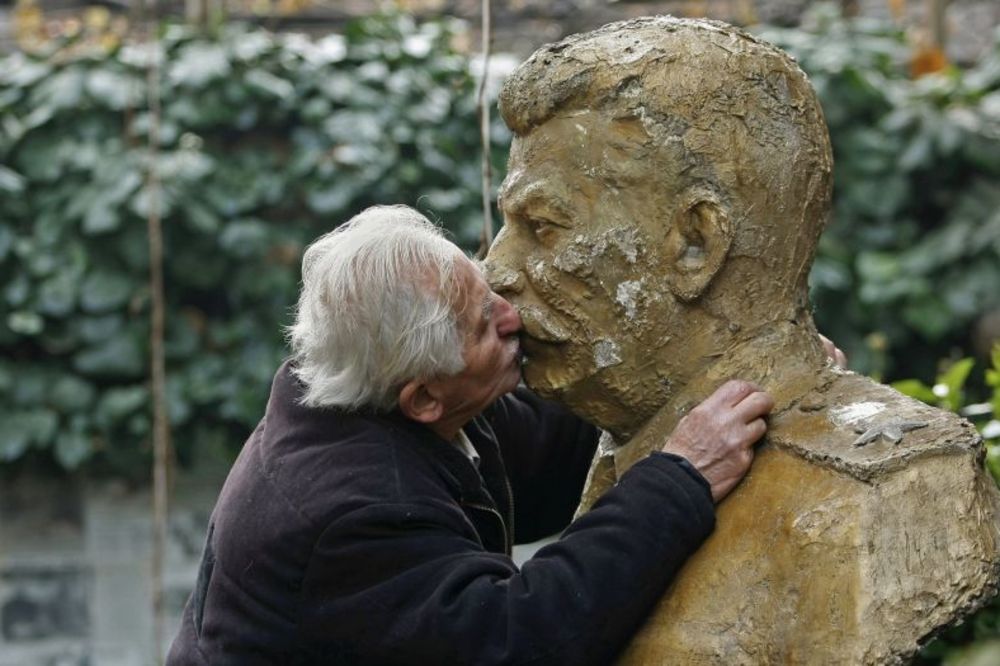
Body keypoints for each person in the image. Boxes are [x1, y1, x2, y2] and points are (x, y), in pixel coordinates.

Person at [485, 16, 1000, 664]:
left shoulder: (885, 495)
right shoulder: (619, 445)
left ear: (697, 243)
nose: (495, 269)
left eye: (544, 225)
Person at [166, 204, 774, 665]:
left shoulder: (376, 389)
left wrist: (699, 388)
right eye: (486, 325)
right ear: (423, 398)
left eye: (487, 291)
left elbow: (548, 455)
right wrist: (681, 477)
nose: (515, 317)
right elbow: (522, 635)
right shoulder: (355, 518)